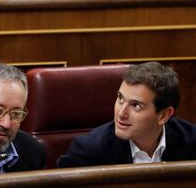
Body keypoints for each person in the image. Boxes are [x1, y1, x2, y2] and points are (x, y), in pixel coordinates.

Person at [57, 62, 196, 168]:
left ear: (164, 116)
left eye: (136, 106)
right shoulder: (88, 151)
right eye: (120, 98)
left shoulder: (191, 141)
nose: (121, 113)